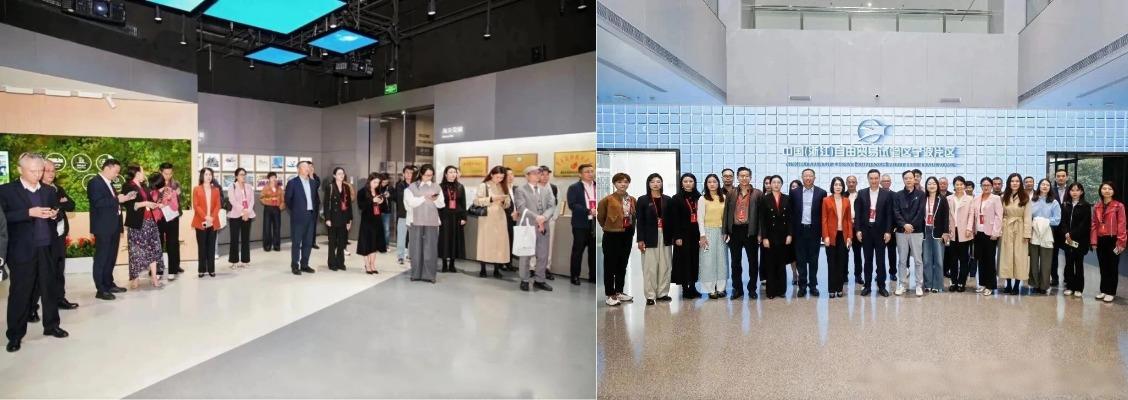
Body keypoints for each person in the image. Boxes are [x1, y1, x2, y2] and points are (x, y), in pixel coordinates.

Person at [2, 153, 68, 353]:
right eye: (33, 171)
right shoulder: (6, 191)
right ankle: (15, 335)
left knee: (49, 288)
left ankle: (51, 325)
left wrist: (54, 214)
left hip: (47, 247)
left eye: (41, 170)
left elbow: (56, 211)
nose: (38, 174)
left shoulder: (48, 191)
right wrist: (28, 213)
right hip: (21, 251)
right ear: (20, 169)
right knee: (20, 293)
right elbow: (2, 218)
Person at [32, 161, 78, 314]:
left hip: (59, 236)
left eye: (53, 170)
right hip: (43, 238)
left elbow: (71, 205)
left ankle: (59, 299)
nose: (51, 173)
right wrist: (60, 203)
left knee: (59, 269)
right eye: (48, 170)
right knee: (40, 273)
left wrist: (58, 205)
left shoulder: (58, 188)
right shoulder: (36, 190)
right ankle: (32, 307)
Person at [87, 158, 130, 300]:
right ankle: (101, 289)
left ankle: (109, 284)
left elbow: (111, 203)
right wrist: (118, 199)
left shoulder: (109, 184)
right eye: (116, 172)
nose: (117, 175)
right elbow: (98, 202)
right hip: (103, 227)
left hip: (114, 226)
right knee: (102, 258)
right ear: (107, 168)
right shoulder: (94, 183)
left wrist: (122, 198)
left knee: (111, 257)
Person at [121, 166, 166, 289]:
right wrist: (145, 203)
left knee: (153, 249)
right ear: (136, 173)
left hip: (150, 222)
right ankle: (135, 278)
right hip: (136, 223)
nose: (143, 173)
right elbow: (128, 205)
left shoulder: (144, 186)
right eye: (142, 171)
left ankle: (154, 277)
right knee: (135, 251)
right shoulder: (127, 186)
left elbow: (150, 202)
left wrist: (157, 205)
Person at [514, 166, 557, 292]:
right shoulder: (520, 190)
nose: (538, 175)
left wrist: (544, 217)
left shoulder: (546, 189)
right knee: (525, 254)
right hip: (527, 225)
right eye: (534, 173)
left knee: (543, 255)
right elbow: (521, 207)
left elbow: (552, 205)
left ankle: (540, 280)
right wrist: (537, 217)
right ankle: (524, 280)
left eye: (539, 173)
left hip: (543, 226)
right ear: (527, 176)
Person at [723, 167, 763, 299]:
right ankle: (737, 289)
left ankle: (752, 289)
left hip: (751, 231)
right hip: (735, 231)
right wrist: (725, 231)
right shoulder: (731, 193)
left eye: (746, 176)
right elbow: (726, 213)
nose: (744, 178)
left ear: (750, 177)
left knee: (753, 262)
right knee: (735, 262)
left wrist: (760, 233)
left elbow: (761, 216)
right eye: (741, 176)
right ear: (738, 177)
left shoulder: (757, 193)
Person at [854, 169, 894, 297]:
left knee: (881, 261)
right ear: (868, 179)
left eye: (876, 178)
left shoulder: (886, 194)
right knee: (868, 260)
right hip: (866, 231)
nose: (874, 181)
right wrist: (858, 230)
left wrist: (888, 231)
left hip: (881, 232)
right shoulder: (861, 193)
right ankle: (867, 286)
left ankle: (882, 286)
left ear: (879, 179)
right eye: (871, 178)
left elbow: (889, 214)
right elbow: (858, 214)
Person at [598, 173, 636, 306]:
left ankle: (619, 291)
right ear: (614, 184)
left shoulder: (632, 199)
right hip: (612, 234)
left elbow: (634, 216)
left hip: (627, 234)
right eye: (619, 182)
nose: (623, 184)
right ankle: (610, 294)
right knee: (610, 265)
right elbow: (601, 217)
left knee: (622, 264)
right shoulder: (607, 200)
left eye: (625, 182)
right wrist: (608, 226)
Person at [789, 168, 826, 298]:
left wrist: (823, 233)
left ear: (814, 178)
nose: (808, 178)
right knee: (801, 259)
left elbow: (823, 215)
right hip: (799, 230)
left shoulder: (821, 193)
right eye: (806, 176)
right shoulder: (794, 192)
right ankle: (802, 286)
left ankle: (813, 286)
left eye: (811, 176)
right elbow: (791, 213)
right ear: (802, 177)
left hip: (814, 230)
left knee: (814, 259)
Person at [405, 164, 444, 283]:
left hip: (432, 221)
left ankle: (430, 275)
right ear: (421, 174)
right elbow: (410, 203)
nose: (429, 177)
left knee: (430, 249)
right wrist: (425, 197)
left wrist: (435, 199)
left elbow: (442, 204)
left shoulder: (436, 187)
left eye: (431, 175)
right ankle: (415, 274)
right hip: (415, 221)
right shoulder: (411, 187)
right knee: (415, 248)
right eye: (426, 175)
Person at [892, 170, 926, 297]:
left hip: (916, 231)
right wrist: (904, 225)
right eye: (906, 178)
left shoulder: (921, 194)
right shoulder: (898, 195)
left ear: (914, 179)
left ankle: (918, 285)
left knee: (918, 260)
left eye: (911, 178)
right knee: (902, 260)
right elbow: (896, 212)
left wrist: (911, 225)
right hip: (901, 232)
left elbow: (921, 212)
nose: (909, 180)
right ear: (903, 180)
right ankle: (902, 284)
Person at [998, 173, 1033, 296]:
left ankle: (1017, 285)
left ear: (1020, 183)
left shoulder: (1025, 197)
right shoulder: (1003, 196)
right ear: (1009, 183)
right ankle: (1008, 284)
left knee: (1019, 257)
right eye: (1012, 181)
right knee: (1007, 256)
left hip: (1020, 228)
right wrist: (999, 229)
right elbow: (1000, 214)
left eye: (1017, 181)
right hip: (1006, 228)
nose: (1015, 183)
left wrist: (1027, 234)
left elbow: (1028, 216)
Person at [475, 166, 512, 278]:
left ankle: (496, 269)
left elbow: (508, 204)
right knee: (485, 242)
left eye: (501, 177)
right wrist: (491, 199)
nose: (499, 179)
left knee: (499, 243)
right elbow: (476, 201)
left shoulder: (503, 186)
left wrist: (504, 201)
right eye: (497, 177)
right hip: (487, 217)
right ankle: (483, 269)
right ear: (491, 175)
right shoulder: (484, 185)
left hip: (500, 216)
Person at [669, 173, 702, 299]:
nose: (688, 184)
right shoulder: (676, 198)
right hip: (682, 235)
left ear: (694, 183)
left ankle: (693, 287)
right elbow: (674, 219)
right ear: (681, 184)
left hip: (696, 233)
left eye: (691, 181)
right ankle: (685, 288)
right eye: (685, 181)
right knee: (683, 261)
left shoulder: (699, 197)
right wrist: (677, 237)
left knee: (695, 260)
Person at [1091, 182, 1125, 303]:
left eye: (1109, 189)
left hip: (1113, 239)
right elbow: (1094, 225)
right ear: (1100, 191)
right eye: (1104, 188)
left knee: (1112, 266)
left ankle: (1111, 292)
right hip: (1101, 239)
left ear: (1113, 191)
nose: (1107, 191)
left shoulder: (1118, 206)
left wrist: (1121, 242)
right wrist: (1094, 241)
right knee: (1103, 266)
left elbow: (1122, 224)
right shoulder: (1097, 206)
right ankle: (1104, 290)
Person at [760, 175, 793, 299]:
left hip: (783, 236)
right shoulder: (764, 199)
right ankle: (771, 291)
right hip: (770, 236)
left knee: (781, 264)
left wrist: (790, 234)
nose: (776, 184)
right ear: (770, 184)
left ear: (781, 184)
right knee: (770, 264)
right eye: (773, 182)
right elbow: (762, 220)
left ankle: (781, 290)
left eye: (778, 182)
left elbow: (790, 219)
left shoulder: (787, 198)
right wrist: (764, 237)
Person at [285, 161, 320, 275]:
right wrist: (296, 211)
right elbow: (288, 200)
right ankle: (295, 266)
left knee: (308, 242)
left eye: (308, 167)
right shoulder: (292, 183)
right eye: (304, 167)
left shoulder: (313, 183)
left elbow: (315, 199)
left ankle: (304, 264)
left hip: (310, 216)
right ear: (298, 169)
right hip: (298, 217)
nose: (307, 169)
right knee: (296, 242)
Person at [566, 164, 597, 286]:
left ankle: (593, 276)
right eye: (587, 172)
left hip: (596, 223)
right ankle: (575, 276)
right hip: (580, 224)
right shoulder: (574, 188)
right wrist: (588, 211)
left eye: (592, 171)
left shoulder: (598, 186)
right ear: (580, 174)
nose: (590, 173)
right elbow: (572, 205)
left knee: (594, 251)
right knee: (578, 251)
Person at [1027, 178, 1060, 295]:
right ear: (1039, 186)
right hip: (1034, 232)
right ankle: (1034, 284)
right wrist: (1034, 223)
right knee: (1034, 261)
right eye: (1043, 184)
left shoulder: (1054, 202)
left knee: (1046, 261)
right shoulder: (1032, 200)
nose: (1045, 186)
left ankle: (1044, 285)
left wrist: (1042, 221)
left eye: (1047, 185)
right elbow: (1028, 216)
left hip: (1047, 232)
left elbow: (1057, 220)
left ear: (1050, 188)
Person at [697, 174, 727, 299]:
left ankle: (721, 288)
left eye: (714, 181)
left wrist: (726, 232)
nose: (712, 184)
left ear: (718, 183)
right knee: (708, 261)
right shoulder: (702, 199)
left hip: (721, 232)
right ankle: (710, 289)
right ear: (706, 184)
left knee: (722, 260)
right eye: (709, 182)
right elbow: (700, 218)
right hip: (707, 232)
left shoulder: (723, 197)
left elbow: (726, 217)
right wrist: (702, 235)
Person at [822, 177, 853, 298]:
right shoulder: (826, 200)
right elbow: (824, 219)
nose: (838, 187)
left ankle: (839, 288)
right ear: (832, 186)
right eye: (836, 184)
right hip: (831, 236)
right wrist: (825, 236)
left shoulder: (846, 201)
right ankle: (831, 289)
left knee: (841, 263)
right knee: (831, 263)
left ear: (843, 187)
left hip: (843, 236)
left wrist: (849, 236)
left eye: (840, 185)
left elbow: (849, 220)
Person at [973, 177, 1003, 296]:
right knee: (980, 259)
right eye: (984, 185)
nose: (986, 187)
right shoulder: (976, 198)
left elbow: (999, 216)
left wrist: (996, 232)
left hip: (990, 233)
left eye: (988, 185)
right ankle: (982, 284)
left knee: (989, 260)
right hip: (978, 232)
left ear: (991, 186)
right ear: (981, 186)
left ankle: (990, 285)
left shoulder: (996, 198)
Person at [921, 176, 950, 294]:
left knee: (938, 260)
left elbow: (946, 217)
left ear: (937, 185)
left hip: (938, 233)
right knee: (926, 260)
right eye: (929, 183)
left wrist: (946, 232)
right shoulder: (923, 198)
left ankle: (937, 285)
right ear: (926, 186)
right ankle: (927, 284)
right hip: (925, 232)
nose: (931, 185)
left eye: (934, 183)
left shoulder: (942, 199)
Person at [1060, 183, 1089, 298]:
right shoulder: (1065, 204)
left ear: (1081, 192)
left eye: (1077, 190)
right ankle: (1070, 286)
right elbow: (1063, 221)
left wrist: (1071, 234)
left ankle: (1079, 288)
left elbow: (1084, 224)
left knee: (1079, 264)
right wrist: (1066, 233)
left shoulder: (1085, 206)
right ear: (1069, 192)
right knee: (1068, 263)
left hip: (1080, 240)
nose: (1075, 192)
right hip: (1067, 239)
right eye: (1072, 190)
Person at [356, 173, 389, 274]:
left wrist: (382, 202)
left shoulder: (379, 191)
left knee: (374, 244)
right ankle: (367, 265)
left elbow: (385, 209)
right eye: (374, 182)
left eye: (378, 183)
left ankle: (373, 264)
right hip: (367, 221)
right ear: (369, 181)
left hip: (377, 220)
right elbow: (361, 206)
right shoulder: (362, 192)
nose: (376, 184)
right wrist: (372, 201)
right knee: (367, 244)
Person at [947, 176, 975, 292]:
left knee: (964, 259)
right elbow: (946, 215)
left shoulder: (969, 199)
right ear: (954, 186)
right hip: (952, 232)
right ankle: (953, 282)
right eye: (957, 184)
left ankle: (961, 283)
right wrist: (947, 229)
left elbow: (971, 215)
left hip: (964, 232)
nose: (959, 186)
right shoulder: (949, 198)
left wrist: (969, 228)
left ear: (964, 186)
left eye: (961, 184)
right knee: (952, 259)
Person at [156, 163, 185, 278]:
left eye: (170, 173)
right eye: (165, 173)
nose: (168, 176)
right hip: (159, 216)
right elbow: (151, 197)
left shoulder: (175, 184)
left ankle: (174, 268)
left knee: (173, 242)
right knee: (157, 243)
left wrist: (177, 195)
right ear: (160, 172)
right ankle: (157, 269)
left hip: (172, 216)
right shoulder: (155, 183)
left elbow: (179, 201)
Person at [437, 166, 467, 273]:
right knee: (444, 239)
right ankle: (444, 264)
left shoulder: (460, 187)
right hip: (444, 216)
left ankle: (452, 264)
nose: (453, 174)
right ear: (446, 174)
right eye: (450, 172)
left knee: (455, 240)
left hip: (456, 216)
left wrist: (464, 217)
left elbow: (463, 203)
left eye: (455, 172)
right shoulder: (440, 187)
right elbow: (437, 203)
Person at [192, 168, 221, 278]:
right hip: (200, 221)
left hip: (213, 222)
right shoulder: (196, 189)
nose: (209, 176)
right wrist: (205, 216)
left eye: (210, 174)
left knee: (211, 246)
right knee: (202, 247)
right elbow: (196, 205)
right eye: (206, 174)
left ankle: (211, 269)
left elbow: (218, 205)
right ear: (202, 176)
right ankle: (201, 269)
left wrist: (212, 217)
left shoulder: (216, 190)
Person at [324, 167, 353, 271]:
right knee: (332, 242)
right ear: (334, 175)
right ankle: (332, 263)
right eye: (339, 173)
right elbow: (326, 204)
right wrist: (327, 218)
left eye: (343, 173)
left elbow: (349, 205)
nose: (341, 175)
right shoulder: (330, 187)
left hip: (344, 218)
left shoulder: (346, 187)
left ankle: (340, 262)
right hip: (333, 218)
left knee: (342, 242)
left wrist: (349, 220)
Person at [226, 168, 255, 270]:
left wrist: (248, 211)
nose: (243, 176)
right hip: (235, 215)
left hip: (248, 215)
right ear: (236, 176)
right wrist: (243, 211)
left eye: (244, 174)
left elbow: (252, 201)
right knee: (234, 239)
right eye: (241, 174)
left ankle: (245, 260)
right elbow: (232, 201)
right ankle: (234, 261)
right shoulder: (232, 186)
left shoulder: (249, 187)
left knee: (245, 238)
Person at [391, 166, 416, 265]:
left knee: (413, 237)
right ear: (404, 174)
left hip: (414, 215)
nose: (409, 175)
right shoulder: (400, 185)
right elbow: (400, 198)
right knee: (401, 237)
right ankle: (400, 256)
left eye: (411, 173)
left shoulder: (417, 185)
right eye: (407, 173)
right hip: (403, 215)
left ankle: (411, 255)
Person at [538, 166, 559, 280]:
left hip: (549, 221)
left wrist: (553, 218)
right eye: (542, 174)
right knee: (535, 244)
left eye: (547, 174)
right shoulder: (533, 187)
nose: (545, 177)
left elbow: (557, 204)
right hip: (536, 220)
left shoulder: (554, 188)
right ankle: (532, 267)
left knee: (548, 246)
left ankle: (546, 268)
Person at [1050, 169, 1070, 287]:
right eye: (1058, 176)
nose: (1061, 178)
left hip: (1067, 228)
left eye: (1063, 176)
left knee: (1069, 254)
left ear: (1067, 177)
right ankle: (1054, 278)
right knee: (1053, 255)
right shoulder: (1051, 191)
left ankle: (1067, 277)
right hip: (1054, 228)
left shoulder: (1072, 190)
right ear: (1055, 178)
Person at [260, 172, 284, 252]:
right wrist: (270, 200)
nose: (273, 179)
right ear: (269, 179)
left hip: (277, 209)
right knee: (267, 227)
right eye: (272, 177)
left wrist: (281, 206)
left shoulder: (279, 188)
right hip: (268, 208)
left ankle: (276, 246)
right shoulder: (265, 187)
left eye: (274, 177)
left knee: (277, 227)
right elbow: (261, 198)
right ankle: (267, 246)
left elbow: (283, 199)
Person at [881, 173, 898, 282]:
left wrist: (896, 226)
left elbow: (897, 212)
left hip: (892, 229)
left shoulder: (895, 195)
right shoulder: (876, 194)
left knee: (892, 253)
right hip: (879, 229)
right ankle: (880, 273)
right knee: (880, 254)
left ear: (890, 183)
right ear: (881, 183)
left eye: (888, 181)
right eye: (884, 181)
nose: (886, 183)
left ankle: (893, 272)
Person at [846, 175, 863, 285]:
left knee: (857, 253)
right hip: (845, 228)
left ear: (856, 183)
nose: (851, 184)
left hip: (857, 228)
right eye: (849, 182)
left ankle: (858, 275)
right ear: (846, 183)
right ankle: (844, 275)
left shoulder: (861, 195)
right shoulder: (842, 195)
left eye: (853, 182)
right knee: (844, 253)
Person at [788, 179, 802, 286]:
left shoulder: (803, 200)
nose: (794, 188)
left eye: (796, 186)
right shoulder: (787, 200)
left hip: (801, 231)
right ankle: (794, 274)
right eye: (792, 187)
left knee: (800, 255)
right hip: (790, 231)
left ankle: (801, 275)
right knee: (792, 255)